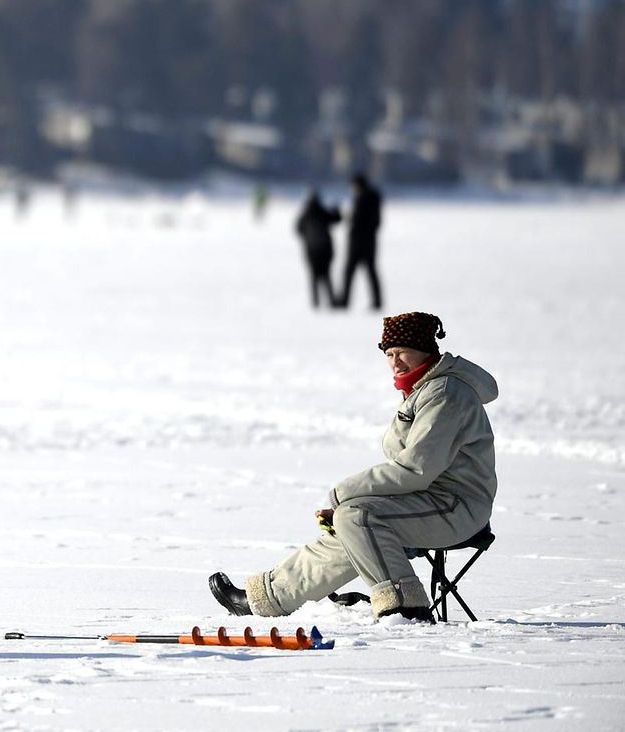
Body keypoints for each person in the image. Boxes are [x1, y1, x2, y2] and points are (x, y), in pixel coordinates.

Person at [208, 312, 497, 623]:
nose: (395, 362)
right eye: (389, 354)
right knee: (354, 519)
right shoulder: (424, 390)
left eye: (402, 352)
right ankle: (267, 599)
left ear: (426, 350)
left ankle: (405, 607)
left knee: (357, 516)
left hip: (457, 508)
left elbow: (416, 468)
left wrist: (343, 493)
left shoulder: (444, 393)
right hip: (430, 502)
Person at [338, 173, 383, 310]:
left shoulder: (362, 199)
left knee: (350, 272)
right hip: (370, 242)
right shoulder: (372, 199)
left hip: (358, 243)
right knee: (370, 271)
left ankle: (344, 301)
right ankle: (377, 301)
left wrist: (350, 220)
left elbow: (358, 221)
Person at [294, 188, 342, 309]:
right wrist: (337, 210)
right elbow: (336, 219)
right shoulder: (322, 211)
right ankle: (331, 301)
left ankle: (315, 302)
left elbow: (298, 229)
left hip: (311, 250)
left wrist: (308, 238)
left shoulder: (305, 214)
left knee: (314, 277)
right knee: (326, 276)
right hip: (325, 249)